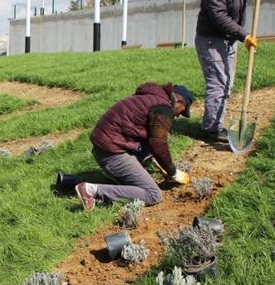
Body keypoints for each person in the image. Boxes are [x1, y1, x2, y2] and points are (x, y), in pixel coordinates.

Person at [195, 0, 275, 141]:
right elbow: (219, 17)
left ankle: (213, 123)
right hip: (212, 40)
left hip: (229, 38)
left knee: (227, 83)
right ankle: (211, 129)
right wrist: (244, 36)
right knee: (218, 83)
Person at [74, 82, 193, 210]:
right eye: (182, 110)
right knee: (153, 195)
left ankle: (114, 178)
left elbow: (147, 138)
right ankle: (91, 190)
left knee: (142, 169)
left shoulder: (152, 97)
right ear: (179, 101)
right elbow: (159, 145)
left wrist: (157, 163)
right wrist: (173, 172)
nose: (178, 115)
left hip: (106, 145)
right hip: (111, 152)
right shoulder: (163, 109)